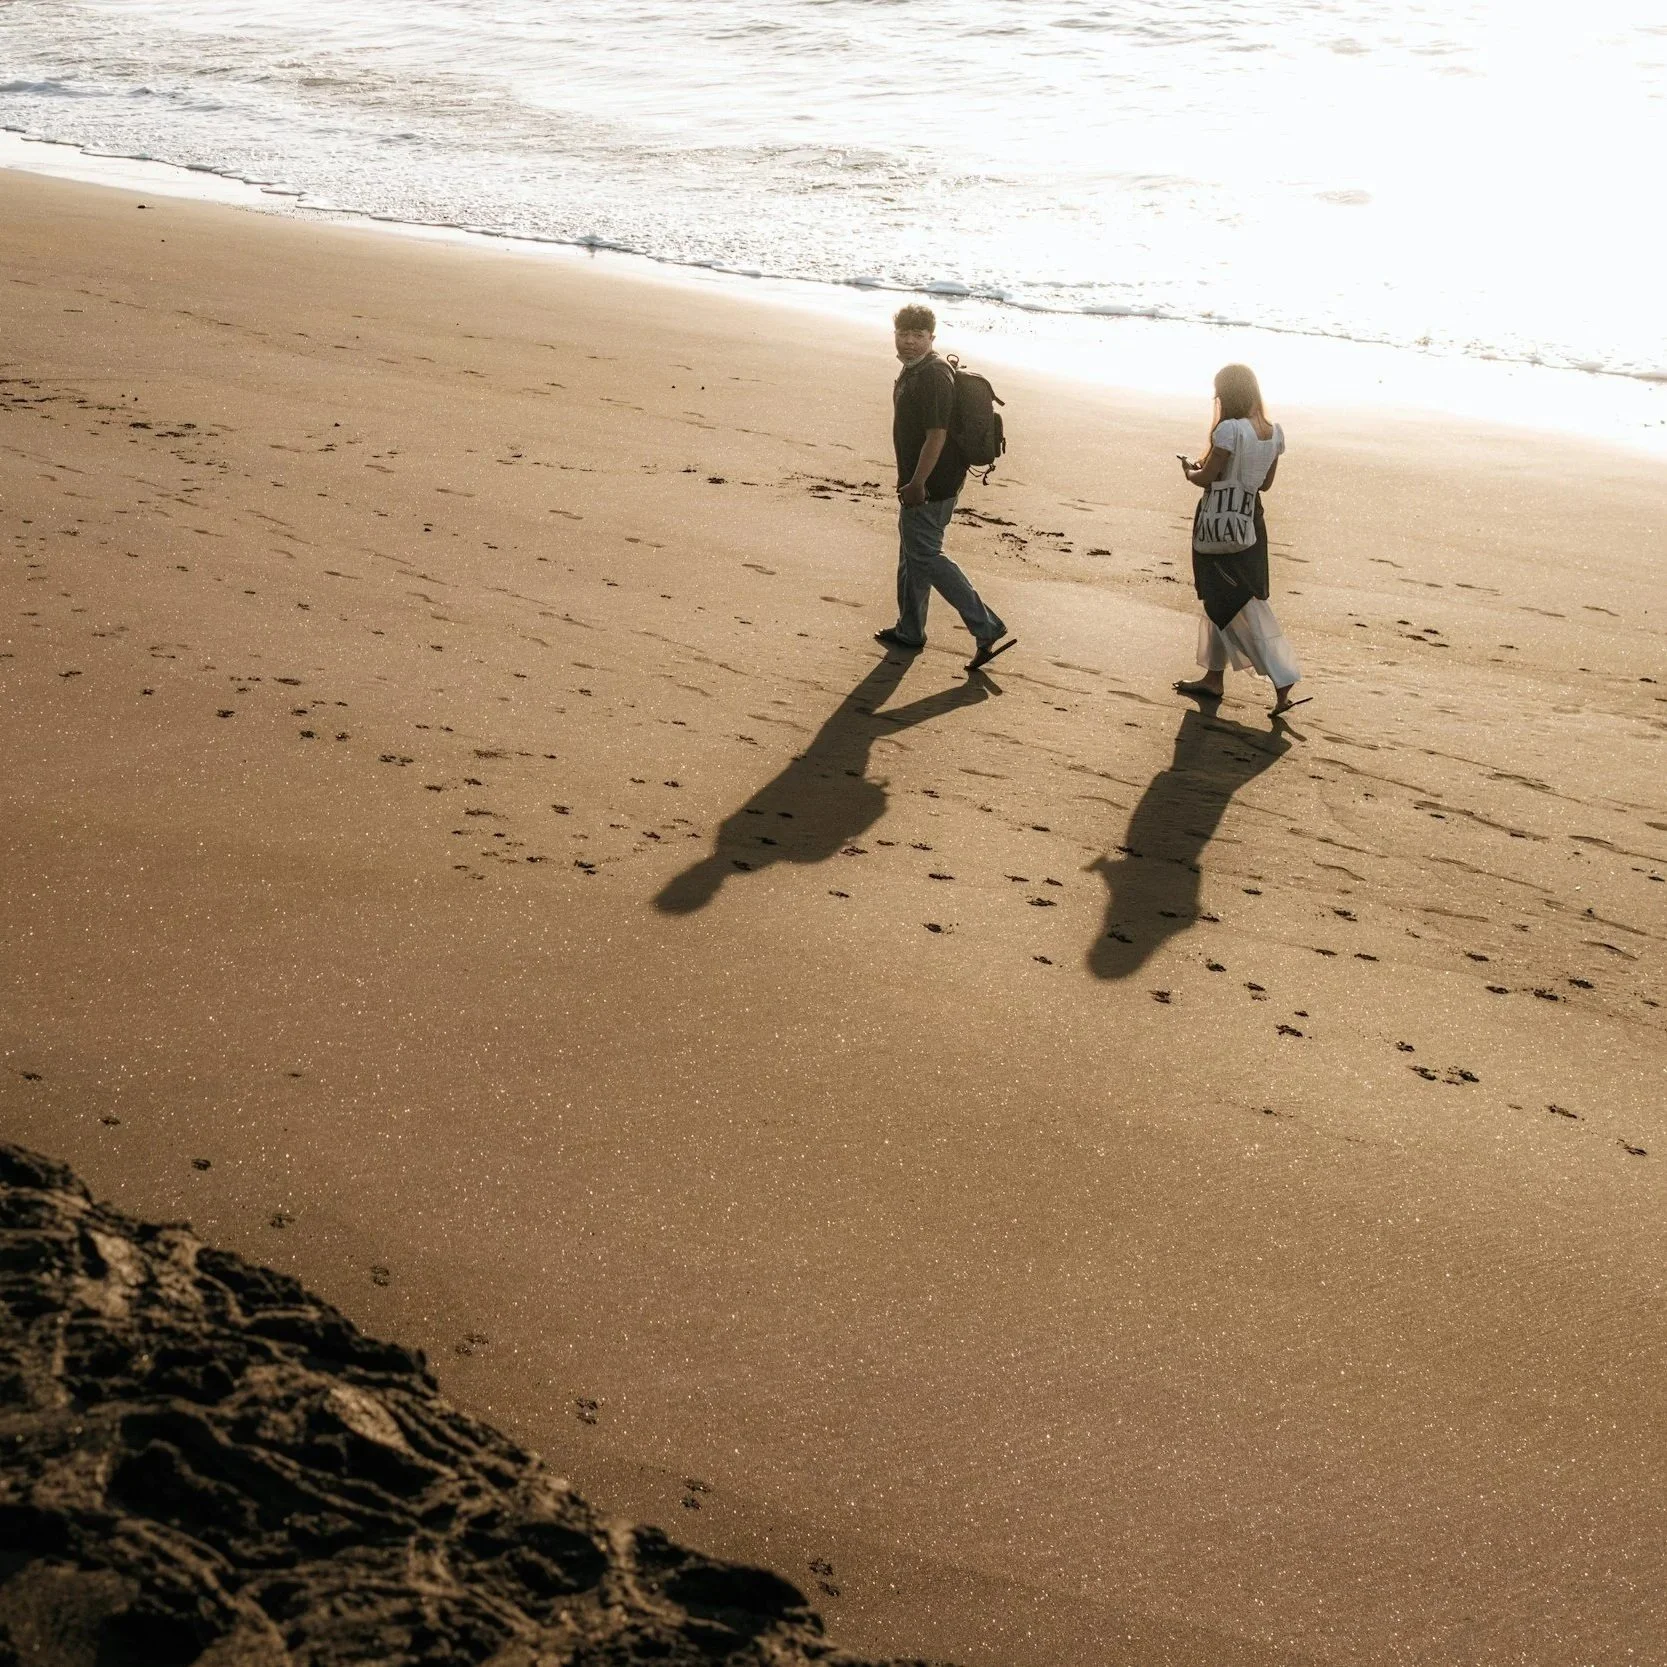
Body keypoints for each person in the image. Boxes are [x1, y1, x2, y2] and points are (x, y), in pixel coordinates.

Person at [874, 305, 1014, 671]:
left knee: (925, 556)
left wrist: (919, 482)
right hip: (918, 480)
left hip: (933, 483)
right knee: (912, 555)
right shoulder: (913, 370)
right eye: (903, 334)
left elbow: (937, 435)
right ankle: (910, 629)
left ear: (931, 339)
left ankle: (986, 626)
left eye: (918, 336)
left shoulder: (933, 376)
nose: (908, 342)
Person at [1174, 364, 1305, 717]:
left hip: (1219, 524)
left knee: (1237, 603)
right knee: (1228, 599)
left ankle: (1283, 678)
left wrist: (1188, 470)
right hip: (1250, 523)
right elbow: (1264, 485)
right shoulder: (1273, 432)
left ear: (1227, 396)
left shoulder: (1229, 430)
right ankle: (1213, 677)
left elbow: (1207, 479)